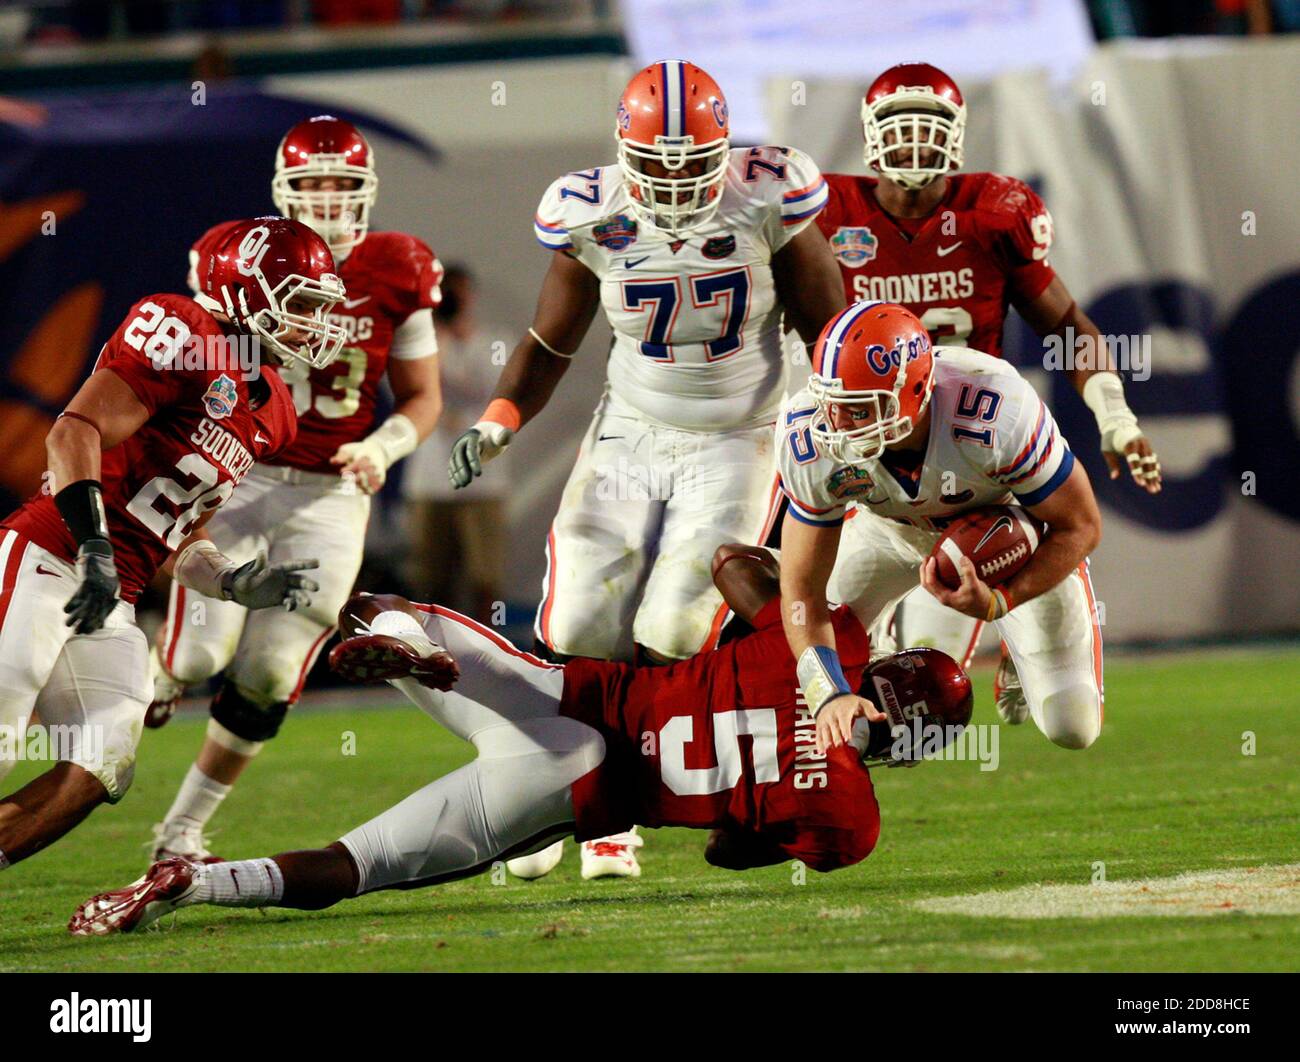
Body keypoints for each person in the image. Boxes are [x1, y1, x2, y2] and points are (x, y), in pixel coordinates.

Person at [67, 544, 974, 936]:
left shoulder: (832, 646)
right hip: (573, 788)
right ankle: (192, 883)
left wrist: (784, 633)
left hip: (569, 694)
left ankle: (407, 644)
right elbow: (725, 852)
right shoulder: (850, 821)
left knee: (390, 607)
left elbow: (734, 564)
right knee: (364, 864)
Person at [447, 59, 846, 879]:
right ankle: (565, 796)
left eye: (693, 164)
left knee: (672, 628)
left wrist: (833, 419)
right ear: (623, 151)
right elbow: (551, 341)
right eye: (657, 165)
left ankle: (616, 800)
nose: (672, 183)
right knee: (576, 626)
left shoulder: (769, 197)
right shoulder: (590, 213)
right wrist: (499, 418)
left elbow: (827, 324)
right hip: (632, 425)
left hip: (744, 430)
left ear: (727, 152)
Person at [143, 116, 444, 866]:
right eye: (313, 185)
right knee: (196, 659)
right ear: (285, 191)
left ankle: (179, 832)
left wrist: (382, 446)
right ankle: (158, 666)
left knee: (274, 671)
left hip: (329, 493)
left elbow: (424, 398)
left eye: (343, 186)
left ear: (366, 191)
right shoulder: (237, 256)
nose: (329, 201)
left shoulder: (399, 265)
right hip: (239, 474)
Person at [816, 62, 1157, 717]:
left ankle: (1027, 628)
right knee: (913, 676)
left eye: (930, 127)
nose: (914, 143)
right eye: (898, 127)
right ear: (869, 133)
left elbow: (1068, 325)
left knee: (1071, 725)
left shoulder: (992, 215)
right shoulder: (829, 215)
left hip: (978, 454)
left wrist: (1114, 415)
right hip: (882, 462)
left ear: (958, 131)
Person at [0, 217, 338, 870]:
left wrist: (232, 581)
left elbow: (178, 529)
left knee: (103, 761)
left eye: (316, 308)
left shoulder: (276, 413)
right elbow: (73, 433)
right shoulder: (184, 329)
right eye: (297, 303)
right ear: (243, 288)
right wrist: (94, 548)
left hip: (113, 593)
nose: (309, 324)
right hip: (51, 554)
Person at [777, 301, 1105, 755]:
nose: (837, 424)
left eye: (859, 409)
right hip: (887, 533)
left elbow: (1080, 526)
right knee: (801, 667)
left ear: (914, 391)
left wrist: (1002, 600)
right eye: (832, 405)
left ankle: (1019, 639)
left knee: (1073, 726)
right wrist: (828, 695)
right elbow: (802, 591)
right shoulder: (809, 433)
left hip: (1003, 537)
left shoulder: (996, 410)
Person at [401, 265, 508, 618]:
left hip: (483, 478)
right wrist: (439, 339)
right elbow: (410, 388)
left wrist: (457, 337)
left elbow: (492, 387)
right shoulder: (420, 343)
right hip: (430, 479)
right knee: (430, 575)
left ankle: (490, 640)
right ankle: (435, 645)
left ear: (471, 296)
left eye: (456, 293)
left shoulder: (495, 342)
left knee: (485, 574)